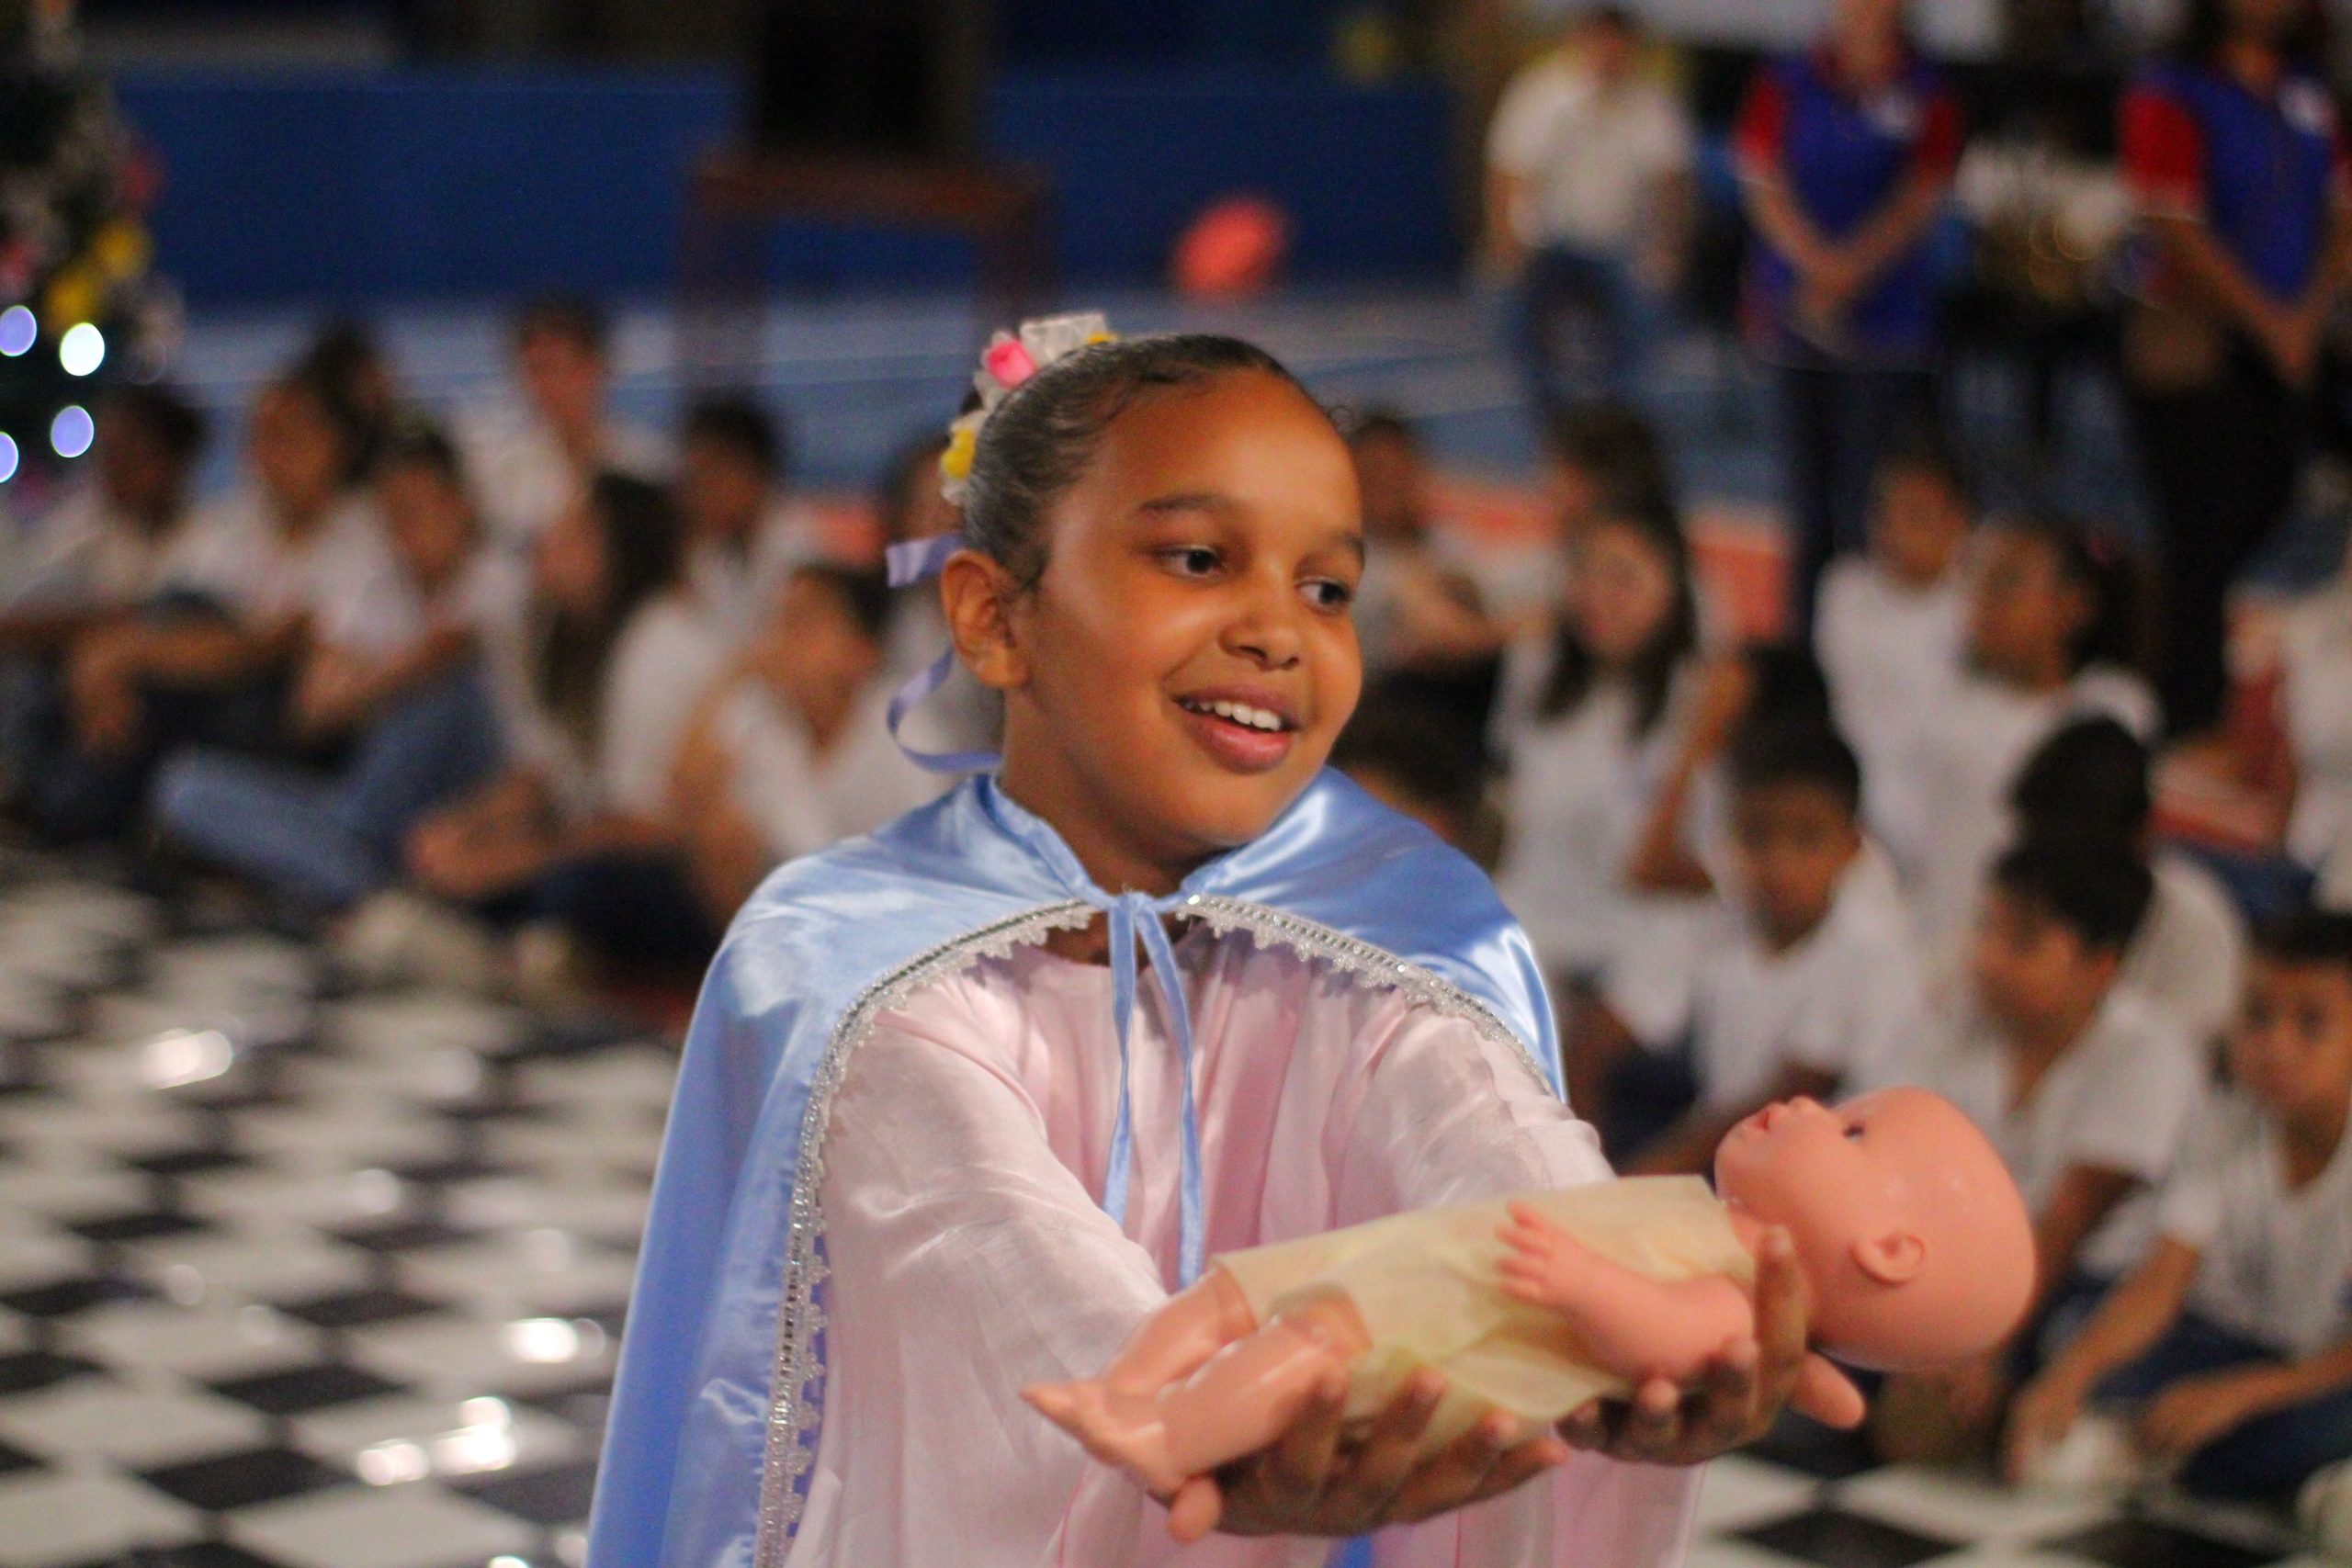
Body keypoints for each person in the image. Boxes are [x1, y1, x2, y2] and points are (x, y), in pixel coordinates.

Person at [589, 325, 1831, 1568]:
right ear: (992, 615)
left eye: (1328, 587)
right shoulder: (850, 962)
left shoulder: (1391, 934)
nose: (1279, 631)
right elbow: (996, 1255)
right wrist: (1207, 1410)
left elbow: (1484, 1141)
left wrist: (1641, 1295)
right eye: (1198, 557)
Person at [2005, 910, 2352, 1514]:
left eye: (2311, 1024)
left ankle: (2230, 1459)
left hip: (2325, 1372)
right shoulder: (2223, 1120)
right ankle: (2253, 1470)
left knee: (2315, 1422)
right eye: (2258, 1016)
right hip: (2238, 1347)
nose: (2276, 1046)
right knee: (2072, 1333)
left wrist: (2240, 1395)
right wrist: (2070, 1375)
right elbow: (2161, 1280)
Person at [1876, 837, 2205, 1458]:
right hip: (1955, 1257)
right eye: (1986, 929)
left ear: (2100, 964)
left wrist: (1983, 1338)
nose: (1989, 958)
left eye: (2021, 942)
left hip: (2074, 1282)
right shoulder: (1957, 1020)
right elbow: (1891, 1160)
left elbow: (2070, 1218)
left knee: (2067, 1354)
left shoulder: (2150, 1053)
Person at [150, 422, 515, 912]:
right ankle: (359, 875)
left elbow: (447, 652)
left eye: (418, 507)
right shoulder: (377, 591)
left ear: (459, 505)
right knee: (185, 785)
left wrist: (377, 680)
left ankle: (349, 869)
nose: (407, 528)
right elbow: (312, 708)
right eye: (394, 513)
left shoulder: (500, 578)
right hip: (370, 798)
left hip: (475, 797)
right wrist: (381, 680)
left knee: (449, 693)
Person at [24, 366, 394, 842]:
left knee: (172, 669)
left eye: (288, 435)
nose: (270, 453)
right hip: (214, 699)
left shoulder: (363, 536)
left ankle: (69, 810)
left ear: (337, 444)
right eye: (260, 436)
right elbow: (159, 614)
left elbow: (274, 646)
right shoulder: (237, 527)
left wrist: (131, 652)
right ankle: (65, 801)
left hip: (305, 727)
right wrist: (107, 659)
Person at [2119, 0, 2352, 737]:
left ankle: (2183, 654)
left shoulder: (2305, 90)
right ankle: (2187, 707)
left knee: (2272, 494)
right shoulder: (2173, 88)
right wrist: (2269, 318)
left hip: (2286, 337)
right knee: (2201, 527)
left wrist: (2307, 312)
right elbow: (2173, 224)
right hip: (2193, 341)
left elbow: (2341, 210)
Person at [403, 472, 727, 971]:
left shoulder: (659, 643)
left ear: (619, 548)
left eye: (574, 530)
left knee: (576, 886)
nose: (548, 541)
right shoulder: (570, 640)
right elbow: (548, 779)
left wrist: (498, 865)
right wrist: (462, 830)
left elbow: (641, 829)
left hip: (696, 882)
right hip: (609, 848)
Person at [1733, 0, 1966, 634]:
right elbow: (1761, 177)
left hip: (1884, 321)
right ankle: (1804, 641)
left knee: (1867, 497)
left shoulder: (1925, 92)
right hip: (1798, 313)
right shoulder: (1789, 79)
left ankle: (1866, 640)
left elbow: (1921, 196)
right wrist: (1812, 264)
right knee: (1806, 505)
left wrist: (1849, 270)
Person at [1612, 722, 1926, 1178]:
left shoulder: (1872, 954)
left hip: (1839, 1183)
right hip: (1743, 1165)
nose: (1780, 865)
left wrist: (1640, 1179)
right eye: (1757, 837)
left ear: (1852, 846)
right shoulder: (1724, 925)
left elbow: (1786, 1099)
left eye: (1808, 838)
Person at [1881, 515, 2160, 961]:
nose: (1982, 600)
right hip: (1933, 952)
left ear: (2075, 605)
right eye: (1977, 580)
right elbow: (1894, 838)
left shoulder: (2114, 708)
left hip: (2050, 962)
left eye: (2007, 583)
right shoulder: (1940, 707)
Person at [1489, 502, 1705, 1008]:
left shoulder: (1695, 700)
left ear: (1671, 589)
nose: (1596, 597)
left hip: (1637, 948)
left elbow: (1695, 870)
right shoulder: (1537, 672)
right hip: (1529, 927)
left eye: (1622, 579)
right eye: (1583, 573)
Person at [667, 563, 942, 930]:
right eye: (779, 621)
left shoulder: (909, 735)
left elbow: (931, 874)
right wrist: (738, 672)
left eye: (804, 623)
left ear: (861, 651)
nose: (782, 640)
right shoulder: (765, 718)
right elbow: (682, 794)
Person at [1487, 5, 1695, 420]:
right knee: (1502, 298)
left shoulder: (1653, 103)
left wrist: (1667, 249)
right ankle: (1552, 420)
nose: (1608, 55)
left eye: (1618, 45)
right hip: (1546, 247)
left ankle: (1619, 419)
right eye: (1600, 43)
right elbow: (1506, 173)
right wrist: (1505, 243)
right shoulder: (1537, 93)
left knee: (1649, 306)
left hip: (1622, 249)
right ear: (1580, 42)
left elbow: (1672, 184)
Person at [0, 386, 207, 802]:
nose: (112, 468)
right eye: (107, 453)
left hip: (172, 695)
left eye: (130, 454)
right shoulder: (86, 527)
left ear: (173, 460)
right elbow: (21, 607)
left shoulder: (210, 536)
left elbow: (178, 623)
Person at [2010, 716, 2249, 1053]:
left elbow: (2185, 1065)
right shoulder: (2014, 909)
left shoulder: (2196, 925)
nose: (2061, 869)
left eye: (2081, 849)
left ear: (2140, 835)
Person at [1812, 436, 1972, 840]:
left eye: (1916, 518)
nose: (1894, 533)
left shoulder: (1978, 607)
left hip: (1945, 804)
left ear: (1959, 522)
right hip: (1856, 802)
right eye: (1883, 515)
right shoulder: (1844, 589)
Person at [459, 293, 668, 551]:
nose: (545, 386)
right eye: (534, 370)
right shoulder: (497, 474)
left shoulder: (648, 463)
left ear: (596, 366)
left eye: (556, 367)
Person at [675, 392, 822, 647]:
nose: (699, 494)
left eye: (712, 478)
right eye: (694, 478)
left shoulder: (805, 554)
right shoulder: (703, 555)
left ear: (755, 473)